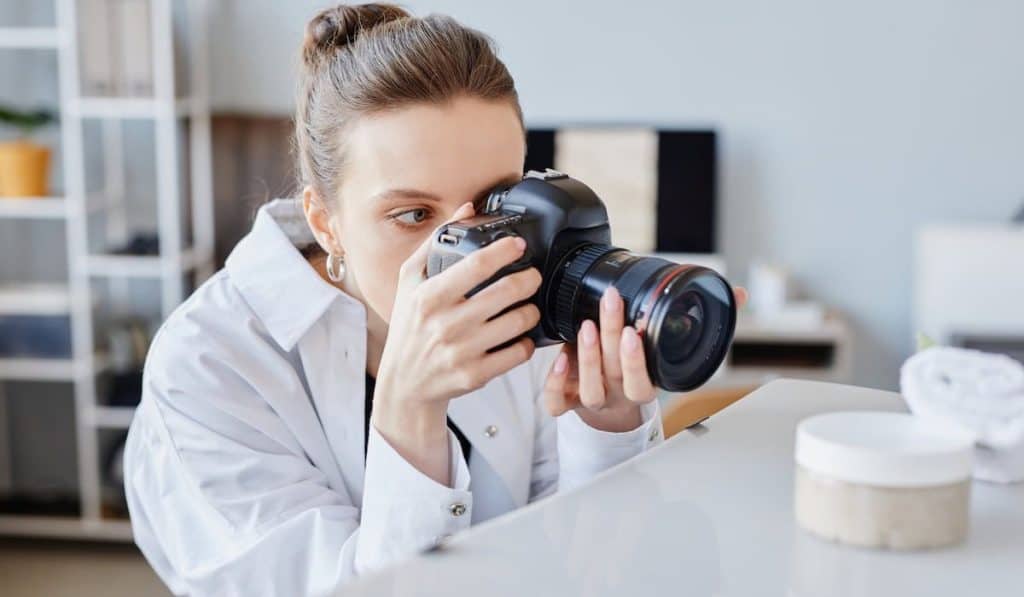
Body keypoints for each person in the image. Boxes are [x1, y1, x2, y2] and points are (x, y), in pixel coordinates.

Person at [123, 4, 747, 595]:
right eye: (413, 214)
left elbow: (580, 568)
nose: (472, 252)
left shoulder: (525, 283)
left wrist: (606, 428)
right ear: (324, 221)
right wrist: (406, 414)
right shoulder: (206, 368)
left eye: (499, 203)